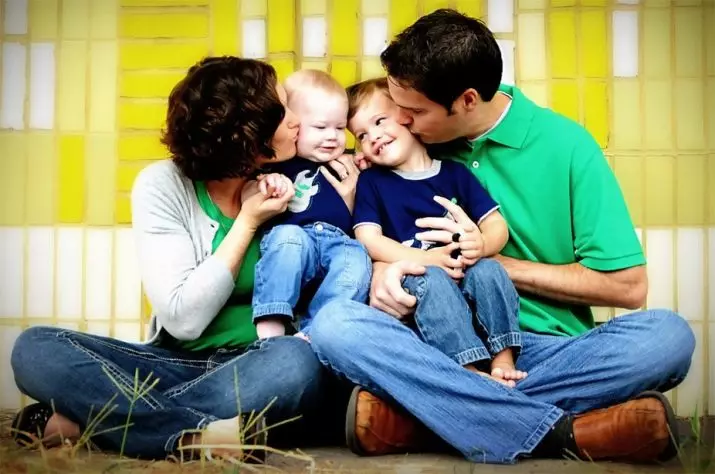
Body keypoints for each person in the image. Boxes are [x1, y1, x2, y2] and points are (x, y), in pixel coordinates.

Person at [308, 9, 695, 465]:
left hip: (542, 346)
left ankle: (426, 416)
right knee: (334, 326)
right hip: (431, 341)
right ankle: (566, 431)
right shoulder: (399, 153)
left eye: (413, 113)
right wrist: (381, 272)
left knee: (667, 337)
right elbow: (365, 237)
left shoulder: (567, 146)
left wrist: (485, 261)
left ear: (467, 100)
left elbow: (628, 286)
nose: (403, 124)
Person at [10, 56, 340, 461]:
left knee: (295, 363)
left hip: (257, 367)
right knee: (35, 348)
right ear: (245, 135)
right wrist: (248, 222)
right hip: (172, 361)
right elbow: (184, 320)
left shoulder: (307, 179)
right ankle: (196, 436)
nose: (296, 120)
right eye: (283, 109)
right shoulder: (162, 185)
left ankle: (96, 422)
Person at [348, 77, 524, 385]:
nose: (373, 136)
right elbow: (368, 238)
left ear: (407, 118)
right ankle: (468, 372)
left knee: (489, 271)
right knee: (430, 281)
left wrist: (480, 245)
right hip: (422, 277)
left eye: (379, 121)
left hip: (464, 270)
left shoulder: (454, 173)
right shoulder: (373, 182)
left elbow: (496, 225)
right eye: (362, 135)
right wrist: (422, 259)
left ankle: (503, 356)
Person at [249, 69, 370, 340]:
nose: (332, 136)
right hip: (296, 236)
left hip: (337, 241)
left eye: (340, 128)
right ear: (293, 126)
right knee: (287, 238)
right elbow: (252, 192)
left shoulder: (347, 163)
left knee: (357, 259)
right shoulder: (279, 164)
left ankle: (316, 330)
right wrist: (270, 182)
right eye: (320, 127)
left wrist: (367, 164)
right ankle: (271, 318)